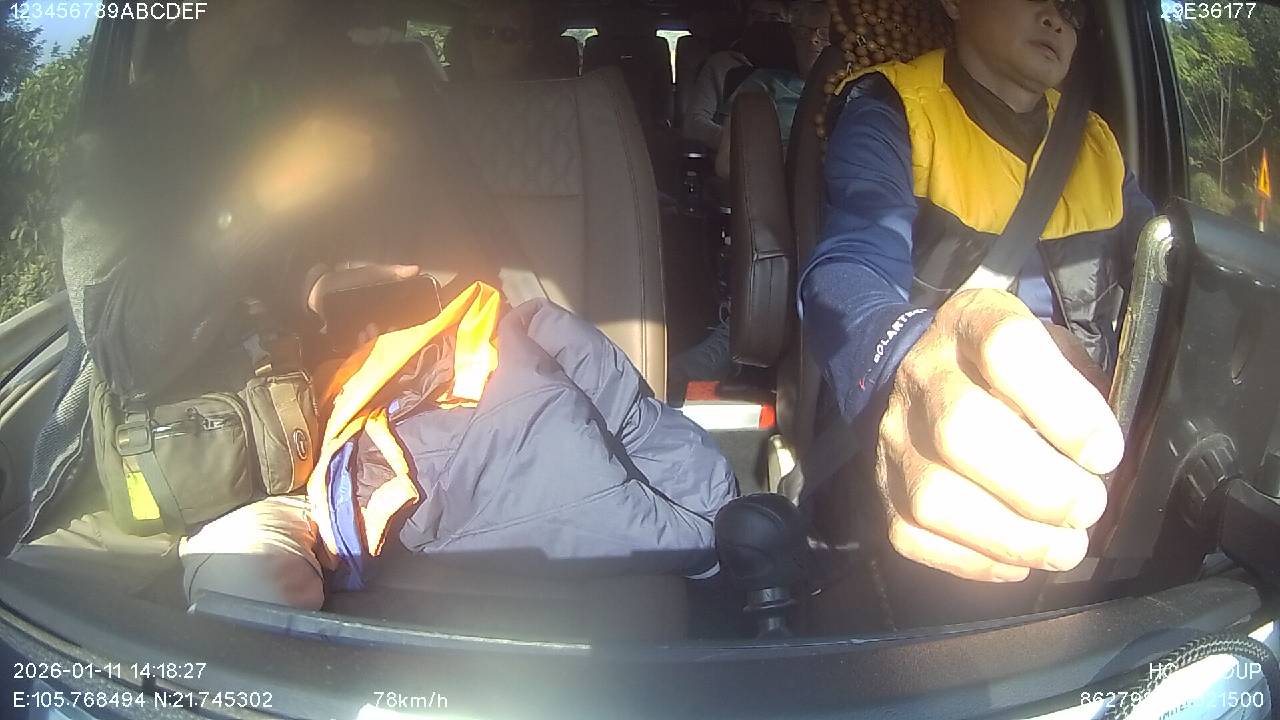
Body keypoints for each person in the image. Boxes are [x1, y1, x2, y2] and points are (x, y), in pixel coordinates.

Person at [8, 2, 432, 610]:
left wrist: (313, 287)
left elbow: (269, 273)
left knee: (259, 595)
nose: (274, 29)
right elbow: (127, 350)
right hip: (127, 487)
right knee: (31, 609)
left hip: (266, 473)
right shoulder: (113, 157)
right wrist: (259, 202)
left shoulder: (280, 119)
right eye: (249, 20)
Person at [799, 0, 1156, 583]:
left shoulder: (1098, 142)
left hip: (1092, 457)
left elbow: (1166, 266)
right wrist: (899, 363)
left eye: (1073, 9)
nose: (1057, 17)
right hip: (935, 454)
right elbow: (850, 265)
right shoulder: (891, 106)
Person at [682, 0, 792, 149]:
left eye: (774, 18)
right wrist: (737, 144)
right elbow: (694, 124)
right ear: (745, 20)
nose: (765, 24)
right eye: (757, 16)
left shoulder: (801, 70)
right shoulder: (720, 64)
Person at [463, 0, 537, 82]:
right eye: (483, 31)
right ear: (467, 40)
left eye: (508, 35)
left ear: (525, 48)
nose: (492, 42)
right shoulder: (451, 84)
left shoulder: (543, 89)